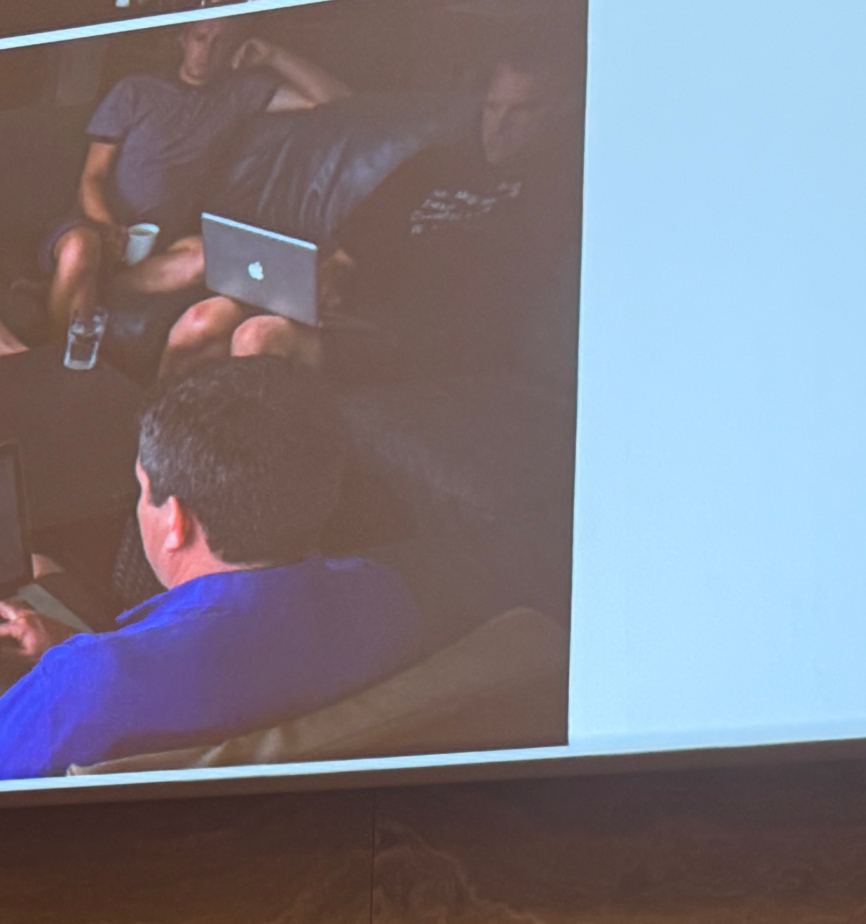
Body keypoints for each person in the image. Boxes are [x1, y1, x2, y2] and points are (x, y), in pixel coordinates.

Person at [0, 356, 419, 778]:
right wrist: (84, 650)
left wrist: (76, 666)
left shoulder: (78, 690)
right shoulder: (382, 600)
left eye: (143, 490)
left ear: (175, 521)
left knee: (40, 565)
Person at [161, 50, 581, 381]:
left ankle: (228, 464)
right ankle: (154, 457)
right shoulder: (432, 165)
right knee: (202, 321)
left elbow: (505, 296)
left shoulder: (558, 191)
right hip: (359, 314)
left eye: (522, 110)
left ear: (558, 111)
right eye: (492, 107)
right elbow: (346, 254)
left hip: (428, 338)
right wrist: (325, 282)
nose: (500, 125)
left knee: (258, 337)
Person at [43, 19, 350, 348]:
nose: (207, 51)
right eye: (200, 38)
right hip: (94, 224)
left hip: (163, 243)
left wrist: (273, 55)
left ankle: (96, 283)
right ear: (183, 38)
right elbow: (93, 176)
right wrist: (107, 228)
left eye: (221, 42)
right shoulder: (134, 90)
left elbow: (338, 98)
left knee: (209, 260)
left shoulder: (238, 94)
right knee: (80, 248)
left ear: (235, 47)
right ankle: (53, 357)